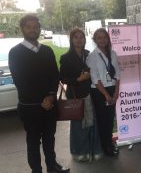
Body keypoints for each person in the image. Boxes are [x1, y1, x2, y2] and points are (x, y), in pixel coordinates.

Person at [8, 14, 69, 173]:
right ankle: (36, 169)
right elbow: (20, 81)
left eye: (35, 27)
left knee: (50, 138)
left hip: (50, 105)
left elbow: (54, 76)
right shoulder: (15, 53)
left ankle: (52, 165)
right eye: (28, 27)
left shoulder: (47, 51)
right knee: (33, 141)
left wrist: (50, 96)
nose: (32, 30)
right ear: (22, 29)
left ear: (39, 29)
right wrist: (42, 100)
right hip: (30, 107)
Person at [59, 28, 102, 162]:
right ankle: (80, 152)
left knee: (91, 124)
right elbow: (63, 78)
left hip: (89, 94)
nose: (79, 40)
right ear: (71, 40)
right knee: (78, 126)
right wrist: (79, 79)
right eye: (76, 37)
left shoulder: (88, 54)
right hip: (76, 96)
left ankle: (93, 150)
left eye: (81, 37)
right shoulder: (65, 57)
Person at [86, 28, 120, 157]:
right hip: (99, 91)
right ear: (95, 40)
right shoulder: (92, 56)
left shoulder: (113, 53)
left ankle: (110, 142)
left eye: (104, 37)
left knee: (110, 119)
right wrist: (106, 95)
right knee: (103, 120)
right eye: (99, 37)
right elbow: (95, 79)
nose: (102, 40)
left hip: (112, 88)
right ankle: (105, 146)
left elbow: (117, 74)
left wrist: (116, 92)